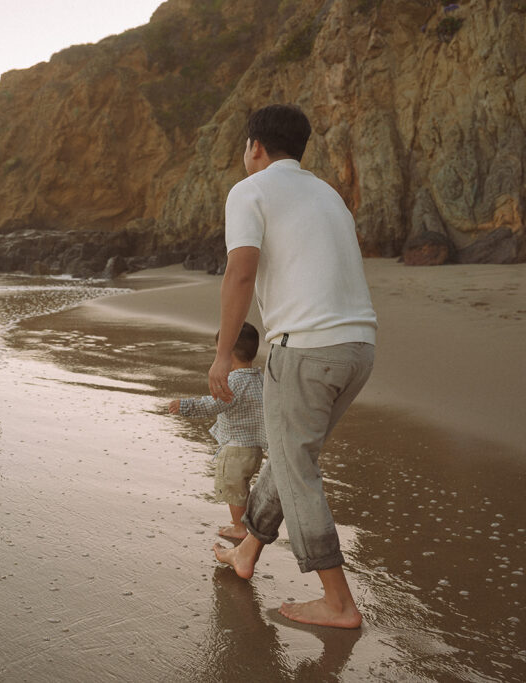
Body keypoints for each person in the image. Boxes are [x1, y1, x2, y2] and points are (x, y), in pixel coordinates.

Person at [208, 104, 377, 629]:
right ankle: (247, 554)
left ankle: (338, 601)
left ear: (255, 146)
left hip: (305, 349)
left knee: (296, 467)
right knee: (288, 457)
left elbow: (240, 272)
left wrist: (222, 353)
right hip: (359, 346)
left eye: (243, 146)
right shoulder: (327, 193)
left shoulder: (250, 190)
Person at [169, 322, 266, 540]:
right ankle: (245, 523)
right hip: (255, 448)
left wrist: (184, 405)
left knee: (234, 490)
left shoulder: (232, 381)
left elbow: (211, 405)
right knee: (242, 487)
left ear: (228, 354)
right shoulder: (260, 379)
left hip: (235, 448)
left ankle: (240, 528)